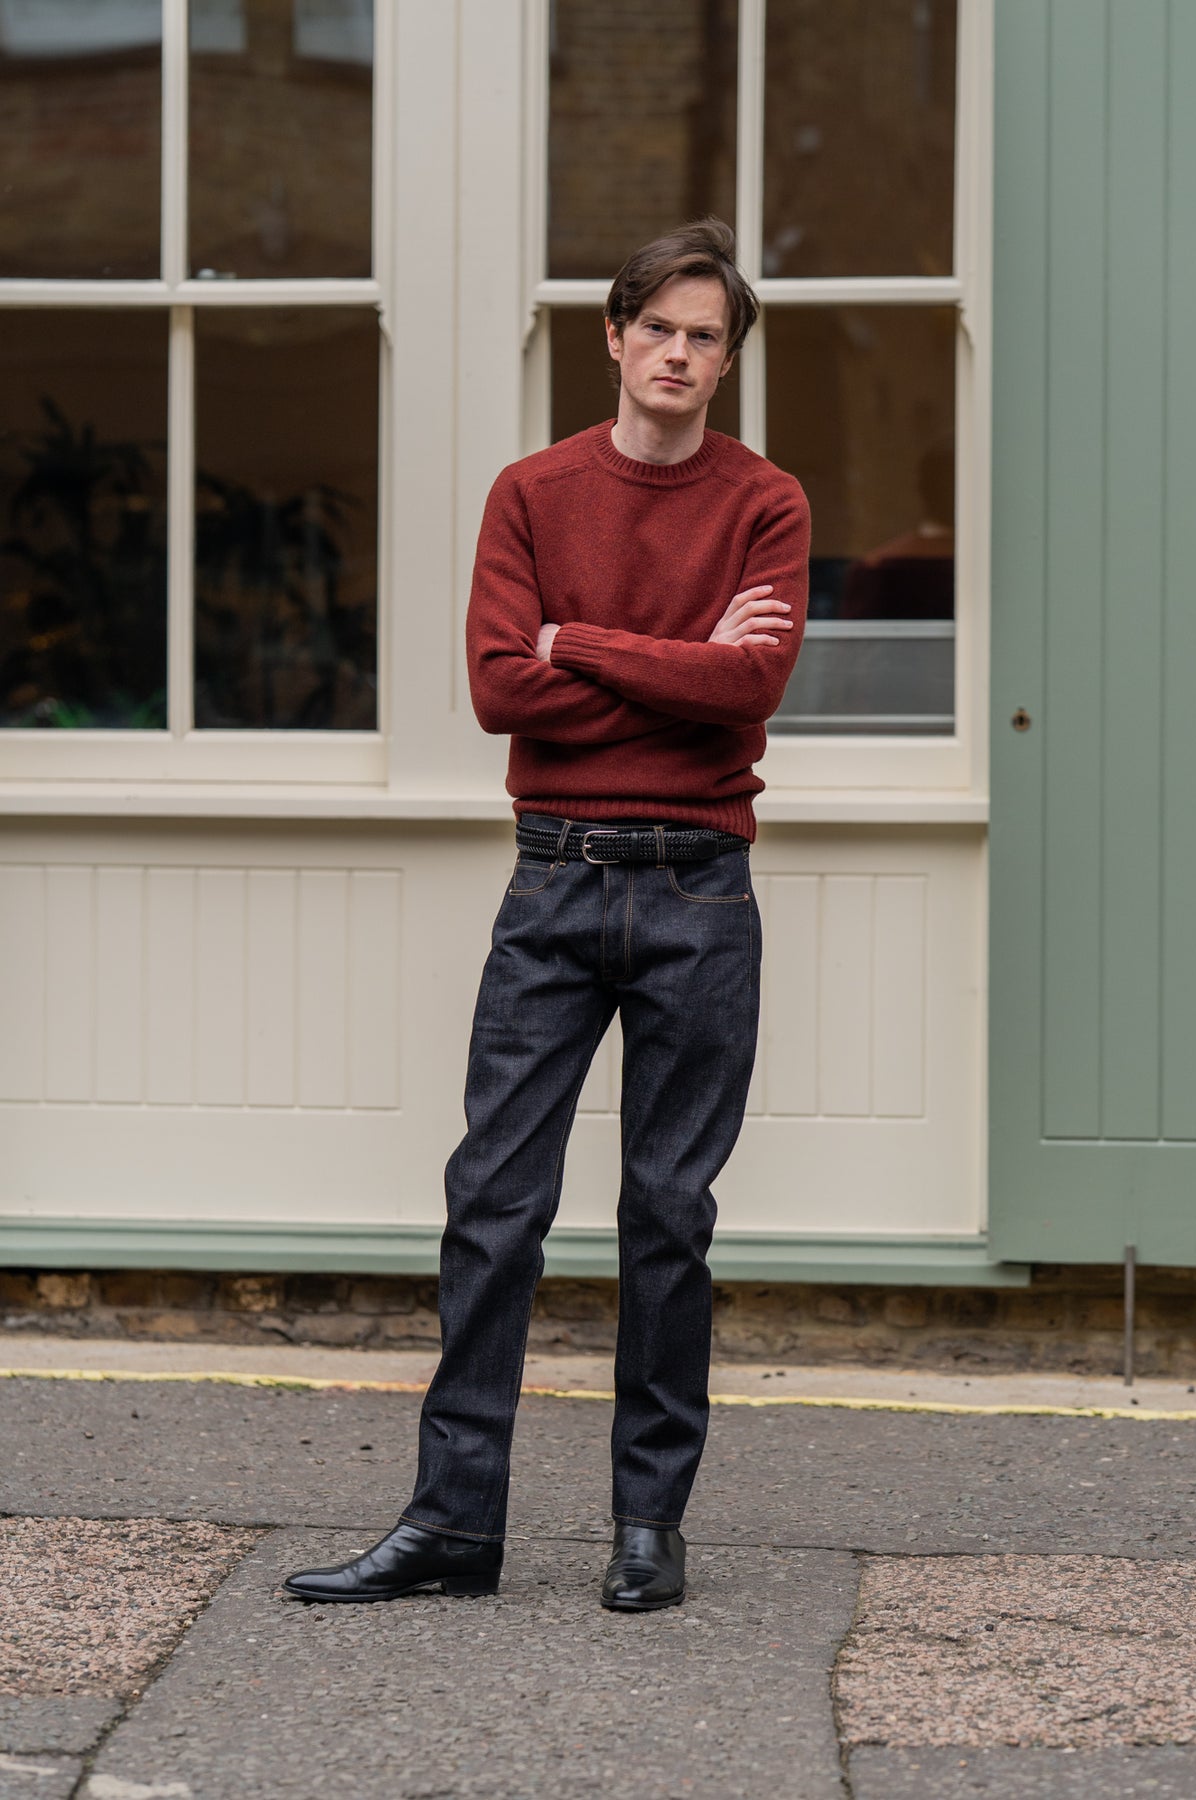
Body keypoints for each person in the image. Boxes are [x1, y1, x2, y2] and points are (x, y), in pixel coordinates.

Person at [284, 218, 810, 1613]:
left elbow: (746, 693)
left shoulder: (766, 504)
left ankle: (649, 1525)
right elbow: (500, 692)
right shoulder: (532, 493)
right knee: (494, 1205)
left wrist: (580, 643)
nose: (680, 354)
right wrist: (671, 669)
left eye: (707, 337)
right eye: (661, 329)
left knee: (668, 1217)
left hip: (700, 885)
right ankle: (453, 1525)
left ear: (728, 360)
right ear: (615, 337)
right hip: (555, 877)